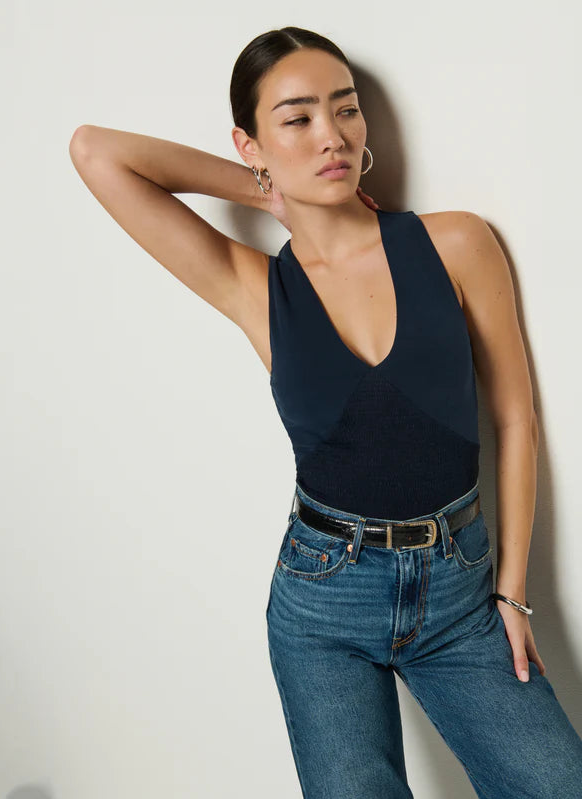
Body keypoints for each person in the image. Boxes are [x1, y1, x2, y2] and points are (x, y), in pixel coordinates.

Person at [69, 25, 582, 799]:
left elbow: (517, 420)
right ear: (250, 142)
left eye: (345, 109)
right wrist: (263, 188)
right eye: (298, 118)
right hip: (323, 600)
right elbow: (95, 152)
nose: (332, 136)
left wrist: (512, 591)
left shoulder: (455, 243)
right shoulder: (254, 287)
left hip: (460, 594)